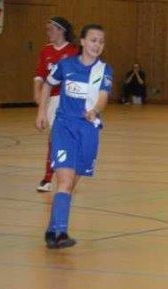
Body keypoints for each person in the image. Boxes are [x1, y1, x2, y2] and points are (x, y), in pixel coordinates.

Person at [35, 24, 113, 249]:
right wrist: (41, 112)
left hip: (87, 130)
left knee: (71, 184)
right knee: (65, 181)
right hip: (64, 128)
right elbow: (47, 85)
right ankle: (60, 233)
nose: (97, 45)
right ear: (83, 41)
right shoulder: (66, 65)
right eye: (93, 40)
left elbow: (103, 97)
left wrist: (95, 110)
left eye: (101, 41)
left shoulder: (104, 70)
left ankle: (52, 231)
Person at [33, 16, 78, 193]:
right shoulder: (46, 50)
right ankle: (49, 177)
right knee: (55, 138)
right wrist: (37, 93)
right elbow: (39, 75)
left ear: (61, 30)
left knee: (62, 138)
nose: (48, 32)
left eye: (51, 29)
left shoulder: (74, 51)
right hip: (52, 98)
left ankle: (55, 176)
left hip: (69, 99)